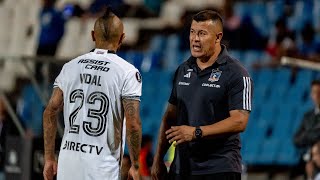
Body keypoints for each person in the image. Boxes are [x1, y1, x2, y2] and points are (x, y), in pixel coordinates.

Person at [151, 10, 253, 180]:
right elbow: (170, 117)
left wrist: (196, 132)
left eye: (202, 33)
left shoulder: (237, 73)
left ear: (218, 37)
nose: (195, 39)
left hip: (220, 168)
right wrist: (158, 160)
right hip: (182, 168)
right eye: (192, 32)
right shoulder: (183, 70)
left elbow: (239, 121)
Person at [43, 8, 142, 180]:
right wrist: (135, 165)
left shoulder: (70, 67)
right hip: (101, 168)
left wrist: (49, 158)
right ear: (122, 38)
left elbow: (50, 112)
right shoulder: (127, 72)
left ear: (92, 35)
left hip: (68, 165)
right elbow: (133, 124)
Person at [294, 80, 320, 179]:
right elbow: (296, 139)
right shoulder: (307, 116)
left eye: (319, 92)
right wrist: (312, 134)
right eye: (314, 92)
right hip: (308, 160)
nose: (317, 96)